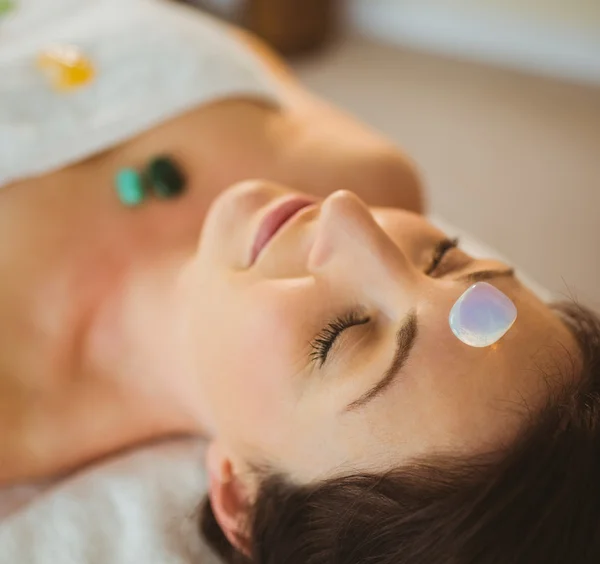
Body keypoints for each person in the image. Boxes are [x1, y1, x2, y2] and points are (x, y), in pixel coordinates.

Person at [1, 1, 599, 563]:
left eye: (341, 333)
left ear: (239, 496)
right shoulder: (372, 173)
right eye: (444, 257)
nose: (347, 215)